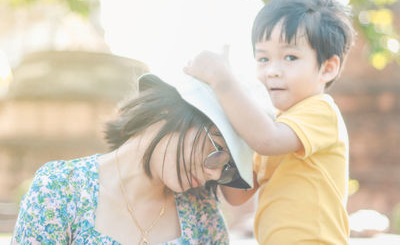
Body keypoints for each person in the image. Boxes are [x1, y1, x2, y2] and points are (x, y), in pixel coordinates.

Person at [11, 73, 267, 244]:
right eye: (217, 152)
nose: (213, 174)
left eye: (226, 169)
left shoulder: (202, 213)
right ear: (169, 111)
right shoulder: (60, 189)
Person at [185, 0, 355, 244]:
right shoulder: (273, 125)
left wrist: (221, 79)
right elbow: (237, 195)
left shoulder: (320, 110)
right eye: (263, 58)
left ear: (327, 68)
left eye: (290, 57)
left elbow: (266, 140)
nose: (272, 71)